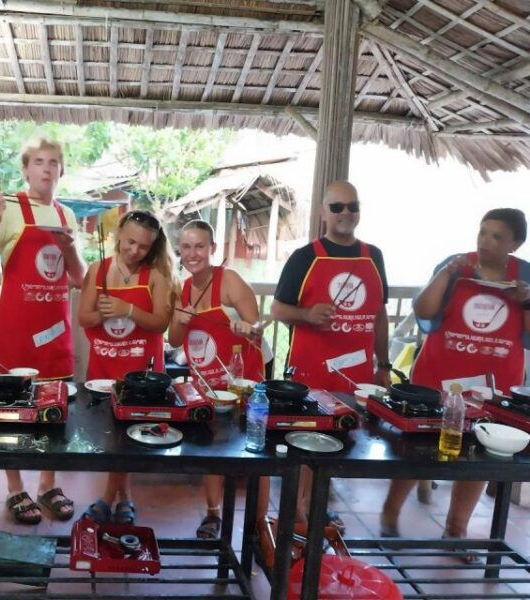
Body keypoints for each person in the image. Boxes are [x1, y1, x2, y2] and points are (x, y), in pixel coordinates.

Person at [381, 209, 530, 558]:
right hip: (438, 377)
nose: (486, 242)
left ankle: (456, 530)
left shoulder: (524, 275)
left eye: (497, 236)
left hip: (492, 385)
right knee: (415, 450)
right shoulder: (456, 265)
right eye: (483, 232)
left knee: (479, 456)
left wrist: (526, 300)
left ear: (515, 243)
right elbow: (426, 309)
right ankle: (390, 514)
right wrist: (447, 273)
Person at [0, 137, 85, 524]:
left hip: (56, 332)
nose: (47, 168)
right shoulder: (11, 210)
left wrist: (69, 250)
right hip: (16, 331)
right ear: (26, 170)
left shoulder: (67, 215)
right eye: (38, 161)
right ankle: (15, 488)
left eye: (54, 162)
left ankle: (48, 485)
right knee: (10, 411)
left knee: (56, 410)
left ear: (61, 170)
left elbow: (80, 278)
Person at [271, 180, 391, 526]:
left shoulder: (374, 255)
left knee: (339, 442)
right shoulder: (305, 256)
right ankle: (297, 515)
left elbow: (379, 315)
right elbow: (278, 309)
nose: (346, 213)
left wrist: (383, 364)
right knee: (306, 443)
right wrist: (307, 315)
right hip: (310, 373)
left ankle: (317, 505)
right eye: (337, 207)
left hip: (356, 376)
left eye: (352, 206)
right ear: (323, 212)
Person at [168, 219, 274, 539]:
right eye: (186, 247)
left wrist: (245, 325)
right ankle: (213, 515)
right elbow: (174, 339)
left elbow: (255, 328)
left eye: (200, 246)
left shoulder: (229, 281)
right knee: (211, 445)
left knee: (257, 447)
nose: (193, 253)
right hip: (207, 379)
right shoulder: (182, 288)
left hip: (244, 377)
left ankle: (259, 521)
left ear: (212, 249)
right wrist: (182, 320)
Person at [78, 209, 176, 524]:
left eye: (143, 246)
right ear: (119, 233)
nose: (134, 251)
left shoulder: (157, 276)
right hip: (105, 365)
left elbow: (161, 323)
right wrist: (105, 314)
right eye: (130, 242)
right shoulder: (97, 270)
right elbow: (85, 318)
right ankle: (124, 498)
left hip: (142, 372)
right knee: (111, 437)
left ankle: (112, 497)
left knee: (131, 438)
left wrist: (128, 309)